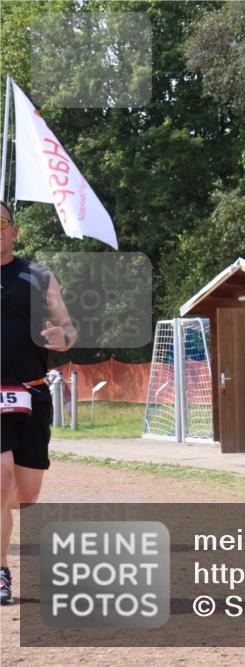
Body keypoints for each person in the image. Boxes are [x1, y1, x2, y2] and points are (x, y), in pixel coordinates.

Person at [1, 201, 76, 605]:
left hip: (30, 392)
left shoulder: (39, 275)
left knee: (24, 493)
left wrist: (65, 337)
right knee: (1, 481)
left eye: (1, 222)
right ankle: (1, 574)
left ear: (14, 231)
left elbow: (67, 326)